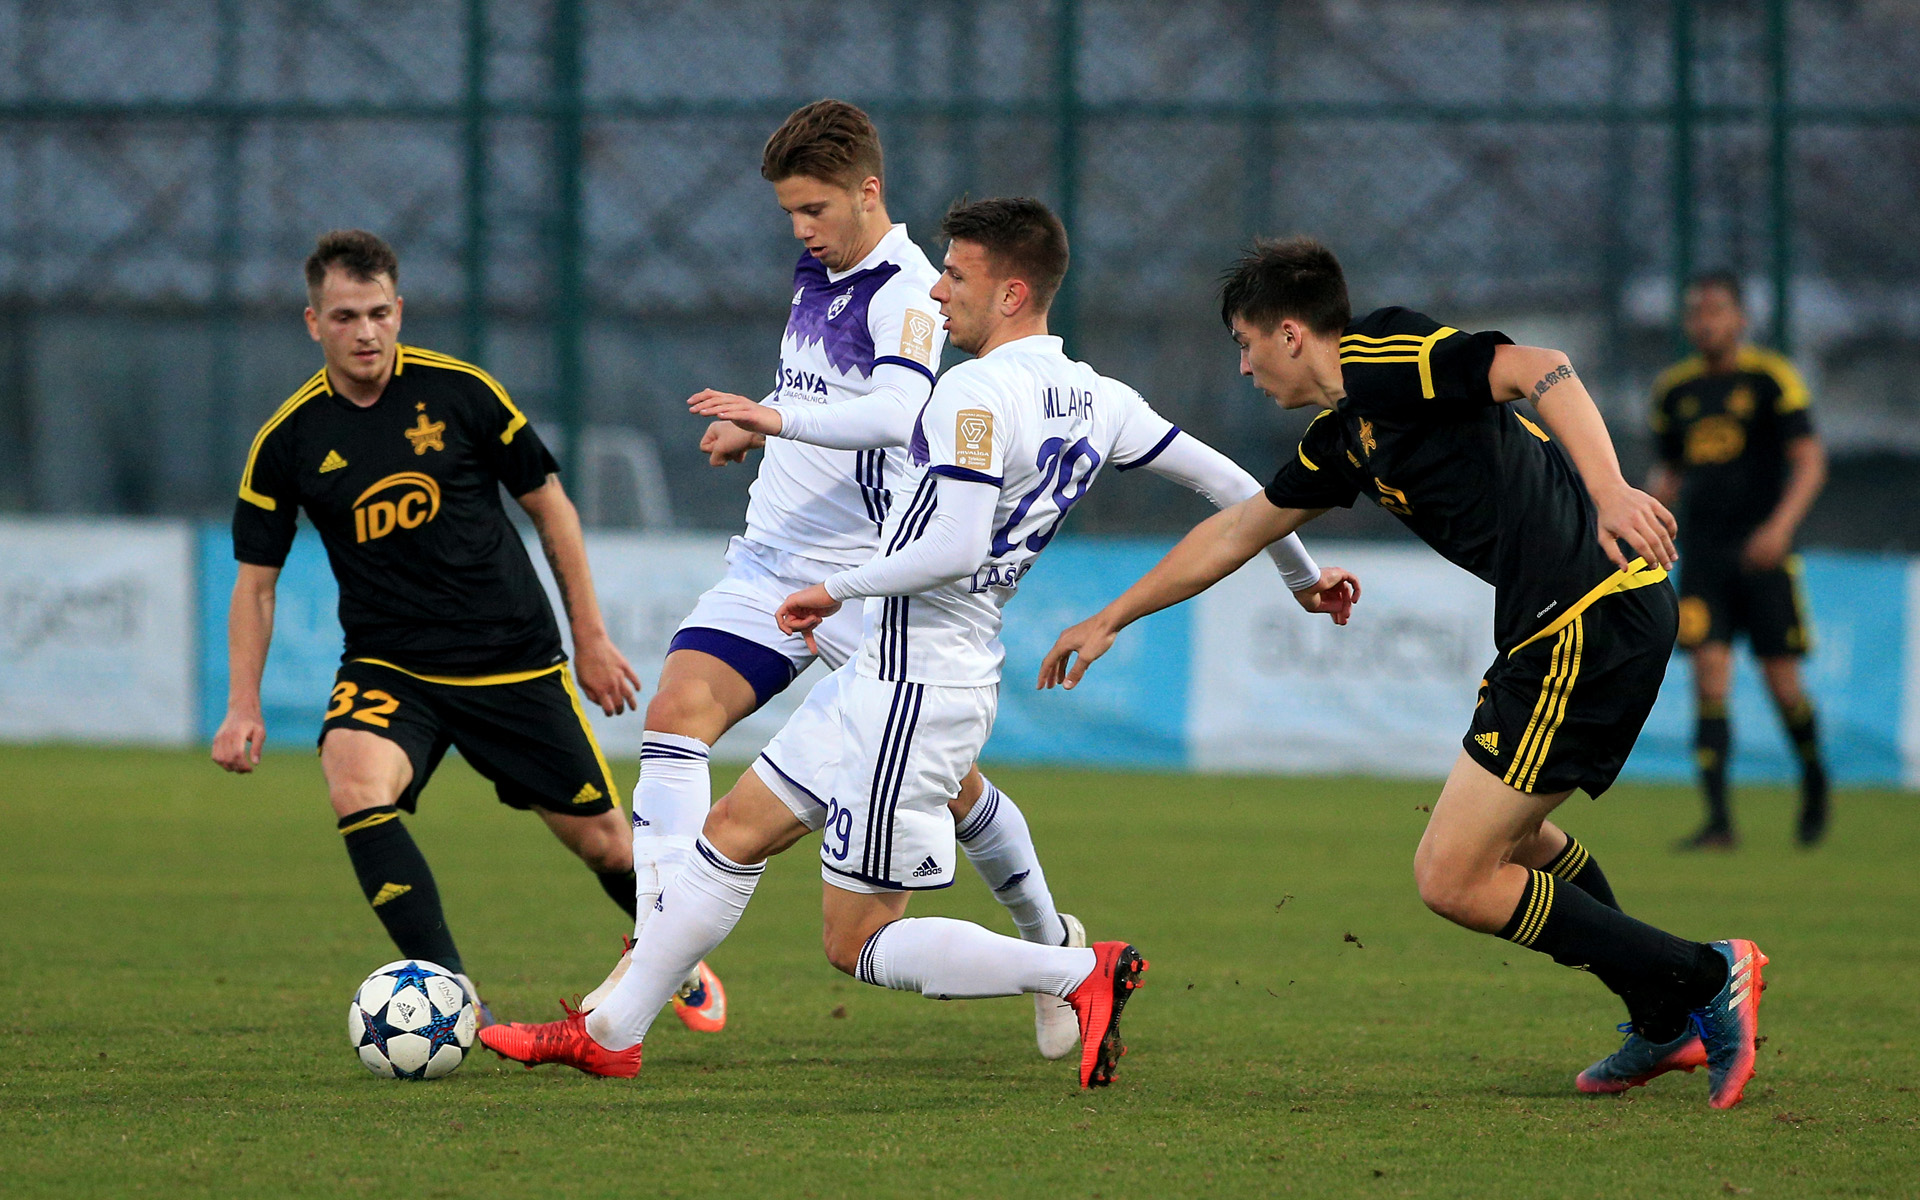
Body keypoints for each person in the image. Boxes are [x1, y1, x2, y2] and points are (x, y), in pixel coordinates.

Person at [478, 198, 1357, 1088]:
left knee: (855, 940)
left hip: (914, 682)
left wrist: (835, 588)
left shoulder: (974, 394)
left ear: (1011, 293)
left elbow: (955, 546)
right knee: (732, 832)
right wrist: (1300, 578)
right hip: (899, 670)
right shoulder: (1102, 397)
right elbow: (1238, 488)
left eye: (957, 277)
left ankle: (1074, 971)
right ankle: (612, 1033)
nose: (938, 293)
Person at [1039, 237, 1769, 1109]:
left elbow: (1543, 366)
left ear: (1290, 333)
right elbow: (1237, 529)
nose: (1242, 366)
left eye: (1245, 342)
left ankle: (1704, 975)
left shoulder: (1386, 356)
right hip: (1557, 626)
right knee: (1515, 842)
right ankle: (1660, 1013)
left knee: (1451, 877)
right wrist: (1111, 617)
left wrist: (1610, 489)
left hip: (1588, 614)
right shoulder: (1343, 438)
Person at [585, 100, 1091, 1049]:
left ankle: (1050, 941)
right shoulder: (819, 271)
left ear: (868, 191)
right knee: (676, 716)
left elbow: (900, 411)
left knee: (954, 786)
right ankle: (659, 944)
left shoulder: (908, 290)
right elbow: (820, 389)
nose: (800, 229)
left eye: (813, 209)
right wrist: (762, 424)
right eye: (789, 213)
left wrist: (776, 420)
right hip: (772, 563)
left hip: (864, 579)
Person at [211, 230, 641, 1020]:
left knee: (608, 844)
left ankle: (674, 955)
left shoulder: (461, 392)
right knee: (353, 780)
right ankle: (449, 993)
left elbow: (551, 508)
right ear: (313, 323)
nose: (365, 333)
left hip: (510, 658)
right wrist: (243, 705)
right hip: (391, 664)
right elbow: (256, 586)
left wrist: (590, 639)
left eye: (378, 313)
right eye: (345, 317)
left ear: (399, 311)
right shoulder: (289, 440)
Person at [1649, 272, 1829, 850]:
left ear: (1740, 319)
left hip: (1763, 556)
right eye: (1696, 313)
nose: (1705, 323)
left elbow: (1810, 461)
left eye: (1716, 311)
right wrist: (1647, 511)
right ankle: (1719, 821)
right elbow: (1670, 471)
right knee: (1709, 675)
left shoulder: (1771, 378)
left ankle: (1814, 779)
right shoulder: (1674, 391)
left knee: (1783, 684)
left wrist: (1779, 529)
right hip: (1703, 558)